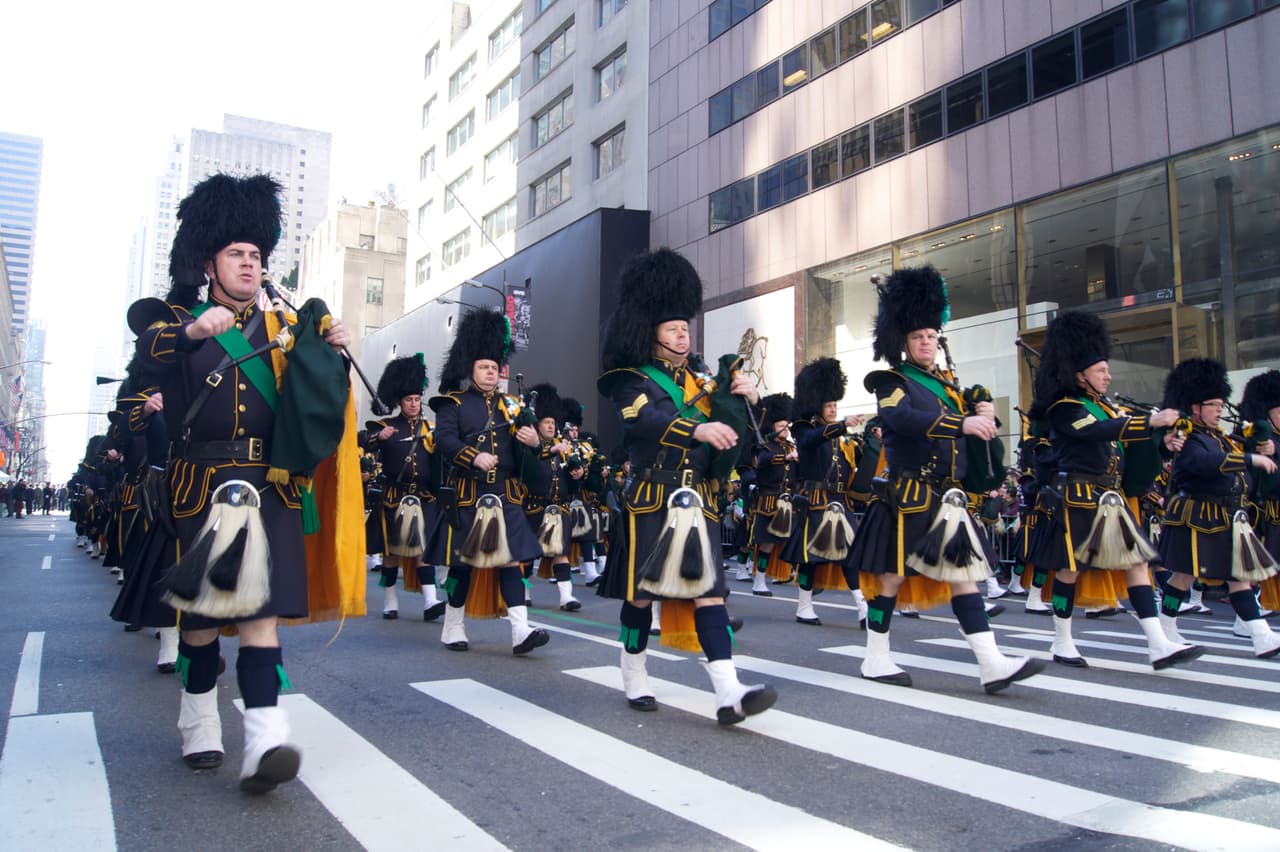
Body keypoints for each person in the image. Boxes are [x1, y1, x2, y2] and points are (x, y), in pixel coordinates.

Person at [135, 173, 364, 793]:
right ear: (208, 262)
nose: (248, 264)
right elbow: (149, 354)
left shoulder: (285, 331)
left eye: (256, 255)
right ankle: (199, 720)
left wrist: (332, 353)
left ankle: (265, 741)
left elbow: (316, 408)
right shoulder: (176, 322)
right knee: (204, 621)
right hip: (202, 487)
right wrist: (193, 332)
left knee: (261, 616)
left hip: (269, 487)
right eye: (236, 253)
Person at [597, 247, 776, 723]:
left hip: (699, 499)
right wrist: (695, 428)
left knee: (710, 592)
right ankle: (634, 672)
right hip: (651, 498)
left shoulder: (702, 382)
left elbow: (730, 440)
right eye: (673, 327)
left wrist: (742, 401)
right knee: (642, 595)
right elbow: (644, 422)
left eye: (685, 326)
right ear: (650, 333)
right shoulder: (629, 381)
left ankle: (728, 691)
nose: (683, 332)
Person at [847, 266, 1040, 693]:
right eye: (918, 337)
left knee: (964, 576)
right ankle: (875, 657)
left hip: (945, 498)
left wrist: (982, 417)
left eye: (932, 336)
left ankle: (990, 663)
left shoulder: (948, 386)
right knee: (892, 579)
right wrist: (961, 424)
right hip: (909, 493)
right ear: (903, 341)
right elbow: (901, 418)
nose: (927, 343)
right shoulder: (891, 382)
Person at [1027, 311, 1201, 670]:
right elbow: (1097, 432)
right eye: (1100, 370)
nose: (1108, 375)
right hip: (1077, 497)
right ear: (1080, 375)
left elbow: (1127, 445)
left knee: (1136, 563)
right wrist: (1147, 421)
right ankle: (1061, 641)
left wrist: (1164, 443)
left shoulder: (1106, 407)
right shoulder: (1065, 408)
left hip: (1111, 497)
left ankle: (1157, 644)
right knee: (1069, 570)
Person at [427, 309, 549, 654]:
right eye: (484, 367)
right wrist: (473, 456)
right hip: (468, 494)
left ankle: (520, 632)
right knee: (462, 562)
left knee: (511, 560)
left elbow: (529, 453)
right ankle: (453, 626)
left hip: (505, 492)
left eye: (495, 367)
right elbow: (445, 441)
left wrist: (533, 442)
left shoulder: (512, 406)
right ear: (471, 369)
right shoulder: (452, 404)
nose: (491, 372)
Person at [1157, 359, 1280, 658]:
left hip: (1224, 517)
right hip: (1198, 516)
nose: (1219, 409)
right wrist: (1250, 460)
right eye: (1212, 404)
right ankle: (1166, 627)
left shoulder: (1220, 437)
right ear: (1195, 407)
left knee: (1234, 578)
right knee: (1184, 577)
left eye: (1220, 403)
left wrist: (1260, 450)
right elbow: (1204, 464)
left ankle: (1261, 636)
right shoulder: (1189, 438)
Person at [780, 360, 868, 627]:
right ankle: (804, 607)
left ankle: (863, 607)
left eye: (835, 405)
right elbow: (810, 441)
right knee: (810, 559)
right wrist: (840, 426)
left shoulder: (841, 438)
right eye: (829, 405)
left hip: (840, 501)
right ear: (817, 406)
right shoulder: (803, 428)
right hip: (817, 501)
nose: (833, 409)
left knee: (851, 555)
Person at [366, 355, 445, 622]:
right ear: (400, 401)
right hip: (393, 497)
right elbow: (362, 441)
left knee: (425, 550)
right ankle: (390, 600)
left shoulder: (431, 428)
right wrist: (378, 437)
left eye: (416, 399)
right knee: (392, 553)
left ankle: (431, 600)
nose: (413, 404)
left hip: (423, 497)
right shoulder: (387, 426)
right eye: (408, 399)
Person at [521, 383, 582, 611]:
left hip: (560, 507)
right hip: (534, 507)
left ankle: (566, 597)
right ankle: (524, 591)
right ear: (537, 424)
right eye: (546, 422)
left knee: (561, 553)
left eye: (553, 422)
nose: (551, 426)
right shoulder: (529, 448)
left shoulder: (564, 447)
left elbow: (576, 483)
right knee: (527, 556)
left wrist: (578, 474)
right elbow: (529, 471)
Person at [745, 393, 797, 597]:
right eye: (780, 425)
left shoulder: (792, 447)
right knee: (766, 542)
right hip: (768, 500)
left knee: (792, 539)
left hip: (787, 500)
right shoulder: (765, 446)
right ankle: (759, 580)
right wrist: (786, 458)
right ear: (773, 426)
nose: (784, 429)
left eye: (786, 425)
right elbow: (764, 460)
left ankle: (792, 575)